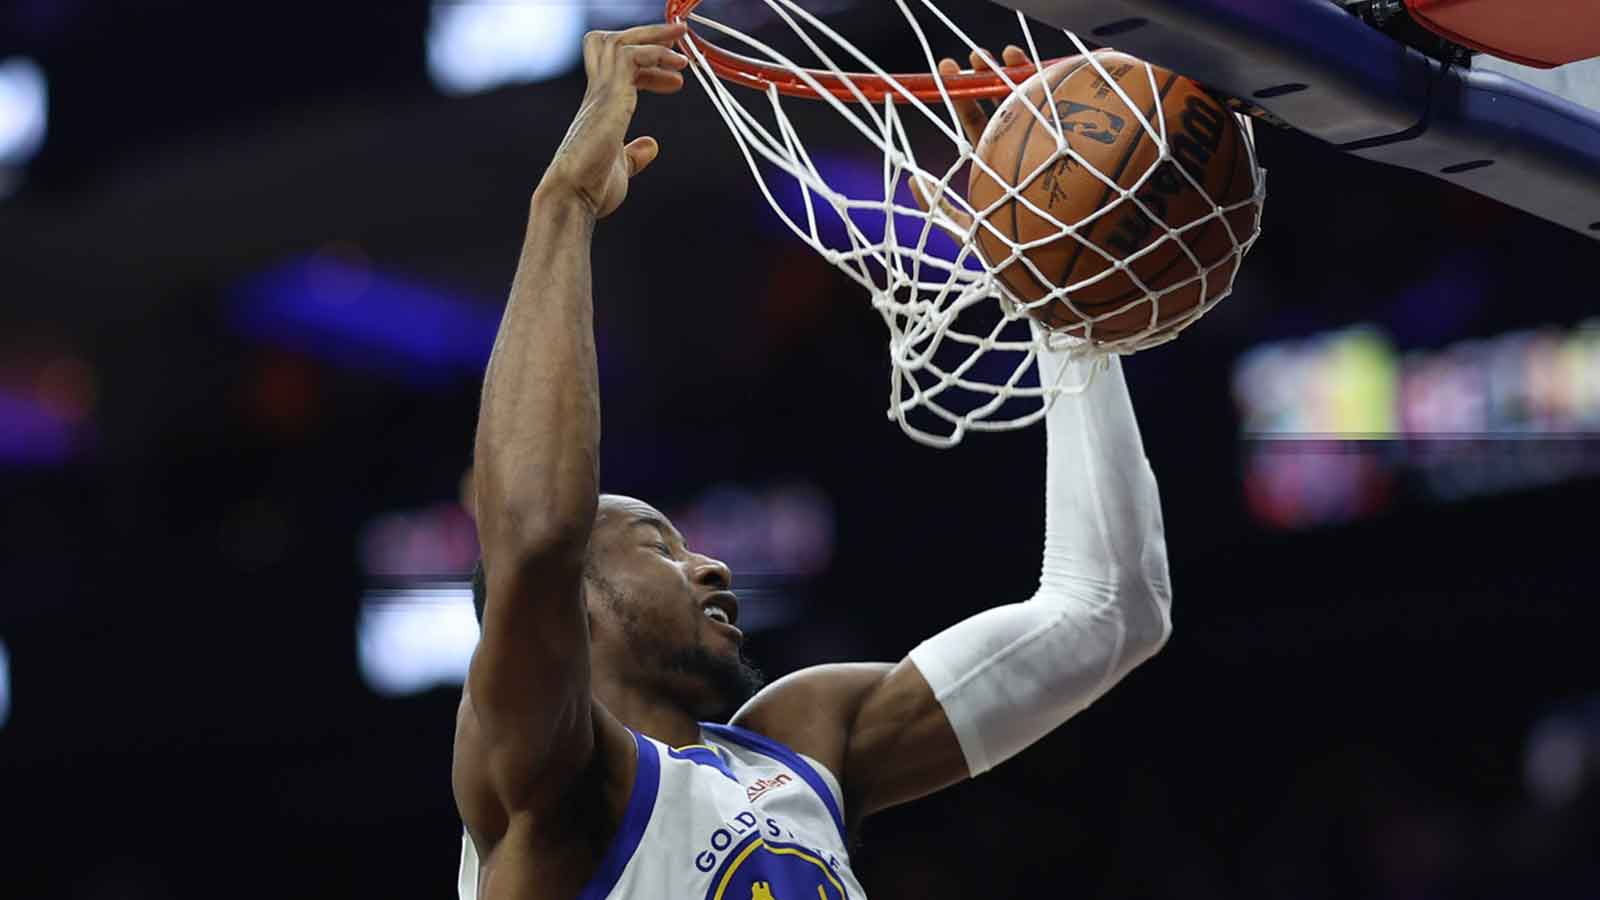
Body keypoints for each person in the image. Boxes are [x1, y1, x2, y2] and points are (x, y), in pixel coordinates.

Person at [453, 24, 1172, 900]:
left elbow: (1110, 612)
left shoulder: (802, 739)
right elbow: (534, 537)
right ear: (571, 606)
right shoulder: (544, 779)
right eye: (657, 546)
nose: (709, 564)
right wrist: (563, 201)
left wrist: (1056, 288)